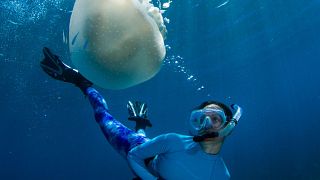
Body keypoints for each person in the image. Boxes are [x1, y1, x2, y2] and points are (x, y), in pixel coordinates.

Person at [40, 47, 242, 180]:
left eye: (216, 119)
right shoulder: (174, 141)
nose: (207, 123)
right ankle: (82, 83)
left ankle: (141, 123)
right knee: (103, 118)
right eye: (201, 117)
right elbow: (134, 156)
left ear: (228, 127)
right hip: (137, 149)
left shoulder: (222, 176)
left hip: (152, 154)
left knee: (146, 139)